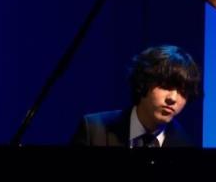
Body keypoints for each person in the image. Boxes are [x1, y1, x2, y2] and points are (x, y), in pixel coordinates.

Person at [71, 45, 201, 147]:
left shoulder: (185, 144)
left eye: (183, 92)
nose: (173, 98)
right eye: (165, 86)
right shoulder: (93, 130)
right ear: (143, 82)